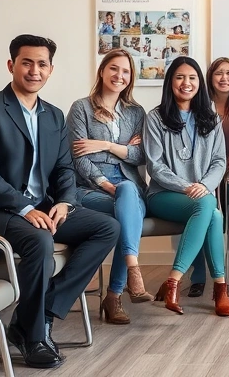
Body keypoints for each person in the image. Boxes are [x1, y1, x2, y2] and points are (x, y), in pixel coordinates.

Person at [0, 34, 119, 369]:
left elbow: (64, 168)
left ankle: (40, 312)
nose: (35, 70)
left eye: (42, 64)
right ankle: (34, 339)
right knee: (39, 240)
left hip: (42, 207)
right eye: (27, 62)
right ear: (11, 65)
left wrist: (65, 201)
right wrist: (26, 208)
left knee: (106, 227)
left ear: (50, 70)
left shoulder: (53, 115)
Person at [143, 56, 229, 317]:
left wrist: (203, 185)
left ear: (199, 84)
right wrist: (187, 187)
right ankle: (212, 287)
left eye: (192, 78)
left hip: (200, 196)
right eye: (180, 77)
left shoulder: (211, 118)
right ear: (170, 82)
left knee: (213, 212)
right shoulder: (156, 118)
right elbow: (155, 166)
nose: (186, 83)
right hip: (164, 195)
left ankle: (208, 285)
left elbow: (219, 161)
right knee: (209, 205)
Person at [67, 49, 151, 325]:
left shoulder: (136, 112)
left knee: (127, 191)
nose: (119, 75)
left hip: (129, 184)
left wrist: (104, 145)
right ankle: (120, 288)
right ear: (102, 71)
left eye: (125, 71)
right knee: (126, 205)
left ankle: (115, 293)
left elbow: (141, 156)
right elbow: (78, 157)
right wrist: (106, 183)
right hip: (91, 188)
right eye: (114, 69)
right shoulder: (81, 108)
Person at [188, 56, 229, 297]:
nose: (224, 78)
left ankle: (224, 276)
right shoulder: (200, 106)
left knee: (225, 225)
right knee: (201, 220)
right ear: (210, 77)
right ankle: (198, 276)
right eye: (219, 73)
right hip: (203, 173)